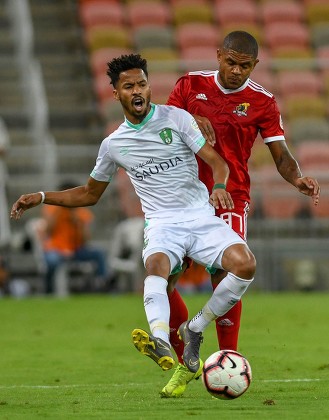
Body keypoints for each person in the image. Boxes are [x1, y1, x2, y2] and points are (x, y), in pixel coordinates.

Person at [10, 53, 256, 383]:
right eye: (129, 86)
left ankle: (195, 327)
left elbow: (218, 162)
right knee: (156, 269)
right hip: (162, 224)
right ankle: (159, 340)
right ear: (117, 94)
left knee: (245, 265)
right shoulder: (114, 145)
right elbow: (89, 194)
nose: (137, 90)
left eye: (142, 83)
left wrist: (220, 186)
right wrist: (41, 197)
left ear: (149, 86)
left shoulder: (177, 119)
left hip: (199, 215)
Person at [161, 30, 320, 397]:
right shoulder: (189, 85)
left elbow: (280, 154)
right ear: (218, 55)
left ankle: (226, 353)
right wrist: (186, 123)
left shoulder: (262, 102)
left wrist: (297, 178)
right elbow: (161, 127)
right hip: (183, 197)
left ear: (255, 65)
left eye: (244, 66)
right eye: (230, 62)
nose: (236, 71)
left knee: (228, 270)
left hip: (230, 196)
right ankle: (187, 359)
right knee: (165, 274)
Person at [39, 181, 109, 294]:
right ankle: (49, 290)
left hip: (76, 250)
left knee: (99, 254)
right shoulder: (52, 208)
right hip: (56, 249)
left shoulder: (82, 212)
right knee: (51, 261)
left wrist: (78, 223)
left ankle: (101, 284)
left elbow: (86, 240)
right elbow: (48, 231)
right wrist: (59, 209)